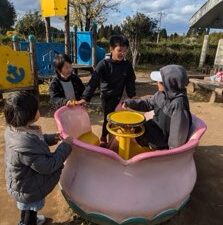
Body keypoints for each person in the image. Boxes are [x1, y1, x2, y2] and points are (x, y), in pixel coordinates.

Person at [4, 91, 73, 225]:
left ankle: (25, 221)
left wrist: (52, 138)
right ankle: (29, 222)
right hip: (29, 188)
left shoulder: (16, 131)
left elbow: (37, 141)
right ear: (28, 115)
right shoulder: (26, 146)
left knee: (26, 207)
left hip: (22, 183)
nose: (39, 110)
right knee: (30, 209)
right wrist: (66, 145)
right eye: (36, 109)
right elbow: (48, 166)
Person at [76, 35, 136, 147]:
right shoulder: (103, 64)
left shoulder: (127, 65)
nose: (122, 53)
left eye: (125, 51)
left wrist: (131, 95)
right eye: (119, 50)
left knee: (120, 116)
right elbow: (93, 81)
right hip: (106, 96)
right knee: (108, 116)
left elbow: (130, 81)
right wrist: (85, 98)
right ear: (111, 49)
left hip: (119, 95)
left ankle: (114, 137)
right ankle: (104, 136)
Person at [123, 64, 192, 150]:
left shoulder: (179, 104)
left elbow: (177, 136)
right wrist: (130, 102)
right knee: (131, 126)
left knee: (129, 135)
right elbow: (148, 103)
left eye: (160, 82)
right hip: (155, 129)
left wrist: (172, 154)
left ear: (168, 84)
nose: (157, 83)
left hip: (161, 141)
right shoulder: (161, 94)